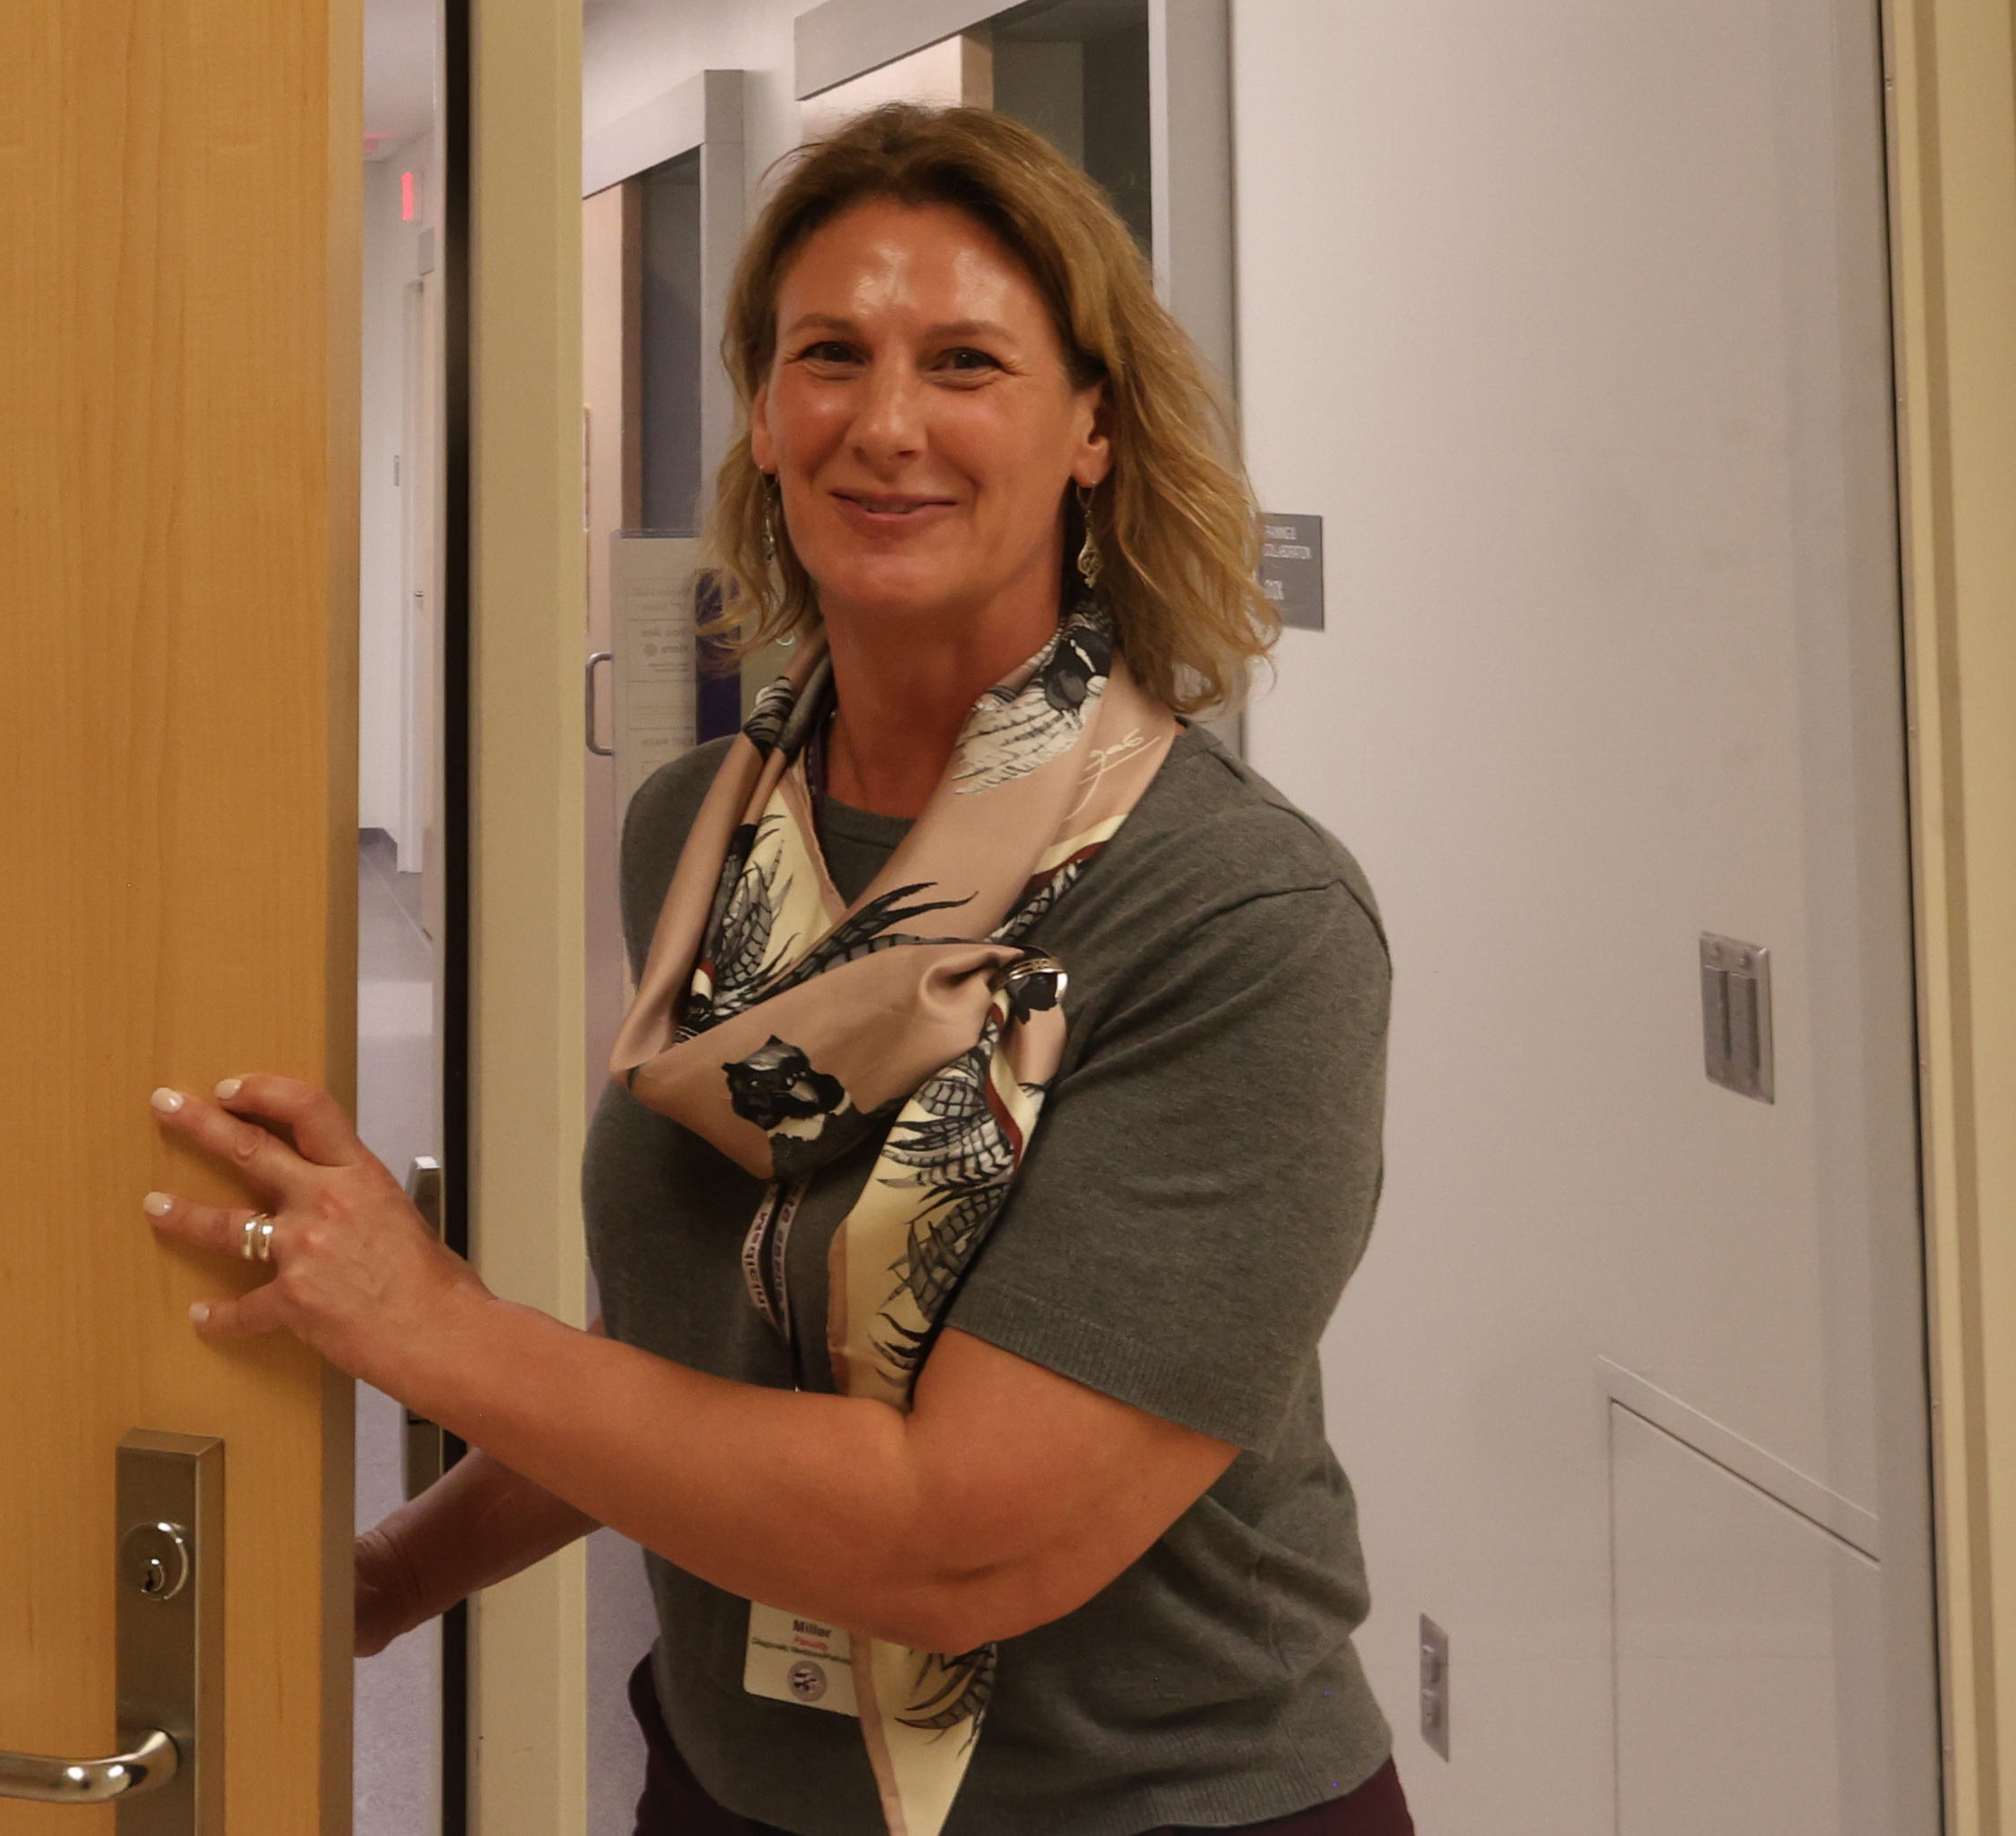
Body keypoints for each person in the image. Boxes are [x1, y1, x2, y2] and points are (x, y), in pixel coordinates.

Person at [143, 103, 1403, 1836]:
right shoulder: (708, 828)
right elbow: (695, 1368)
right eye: (831, 354)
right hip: (734, 1784)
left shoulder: (1231, 917)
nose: (887, 423)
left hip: (1151, 1803)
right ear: (761, 408)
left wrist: (433, 1327)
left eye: (966, 358)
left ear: (1092, 423)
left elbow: (959, 1537)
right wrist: (381, 1578)